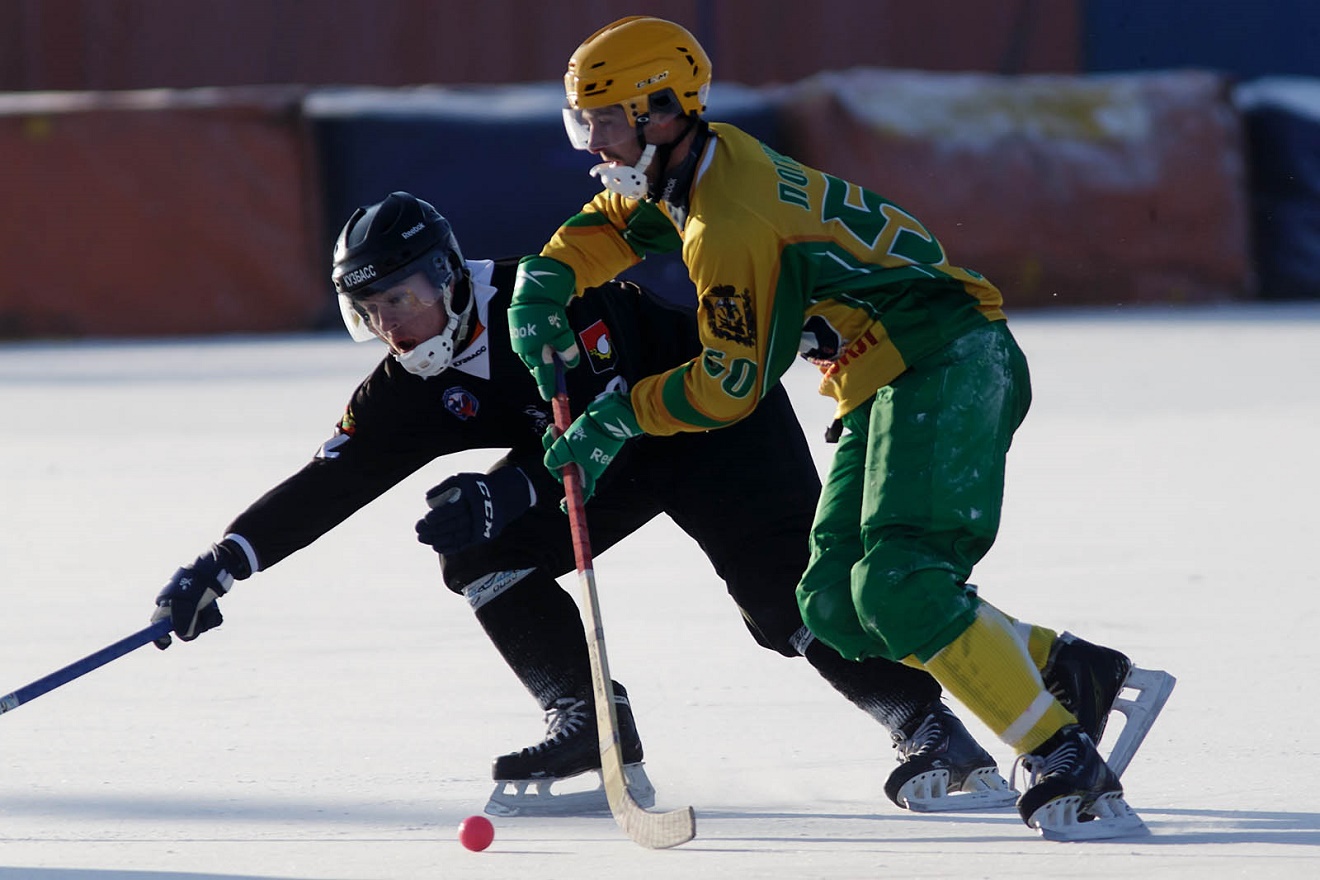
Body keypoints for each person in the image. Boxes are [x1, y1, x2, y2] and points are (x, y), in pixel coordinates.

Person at [150, 190, 1061, 818]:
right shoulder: (404, 387)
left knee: (785, 607)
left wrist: (509, 484)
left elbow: (612, 405)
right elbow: (331, 481)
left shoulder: (541, 303)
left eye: (403, 299)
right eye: (370, 311)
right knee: (473, 552)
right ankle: (590, 724)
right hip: (601, 463)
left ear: (448, 278)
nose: (393, 326)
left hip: (709, 425)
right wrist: (224, 562)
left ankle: (934, 728)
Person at [508, 16, 1175, 840]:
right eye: (585, 122)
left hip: (946, 360)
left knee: (900, 585)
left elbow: (730, 386)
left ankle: (1066, 757)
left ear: (662, 108)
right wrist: (545, 278)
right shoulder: (695, 170)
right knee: (830, 604)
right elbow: (617, 221)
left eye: (605, 120)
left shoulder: (730, 224)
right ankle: (1067, 668)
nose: (592, 143)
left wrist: (619, 416)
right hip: (878, 374)